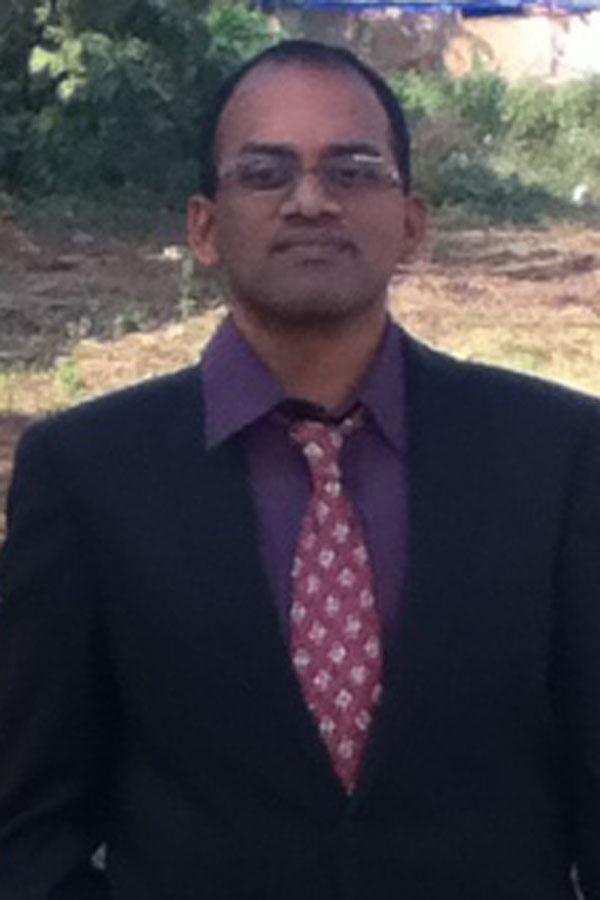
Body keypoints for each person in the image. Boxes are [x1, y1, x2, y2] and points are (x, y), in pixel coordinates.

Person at [0, 38, 599, 900]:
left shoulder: (557, 454)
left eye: (352, 171)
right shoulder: (86, 474)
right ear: (205, 227)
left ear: (413, 224)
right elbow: (28, 825)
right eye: (265, 173)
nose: (311, 200)